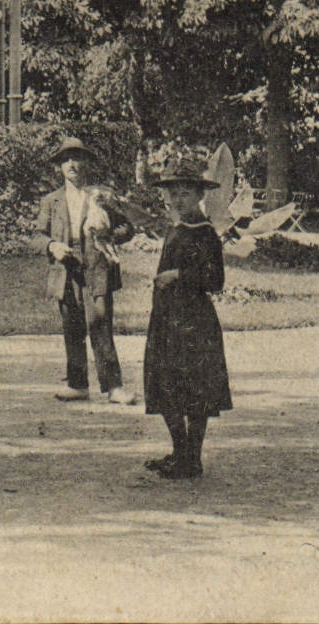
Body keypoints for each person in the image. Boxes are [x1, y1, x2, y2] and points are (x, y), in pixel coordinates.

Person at [143, 163, 233, 480]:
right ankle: (179, 452)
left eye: (186, 194)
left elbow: (215, 280)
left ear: (199, 196)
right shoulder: (178, 228)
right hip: (168, 319)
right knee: (167, 387)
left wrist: (178, 275)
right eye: (174, 194)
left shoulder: (206, 233)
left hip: (194, 322)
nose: (179, 199)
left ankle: (192, 458)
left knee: (195, 391)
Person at [33, 137, 138, 405]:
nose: (73, 164)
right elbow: (37, 236)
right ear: (59, 167)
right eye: (67, 159)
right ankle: (78, 384)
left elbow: (128, 228)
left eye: (78, 158)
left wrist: (107, 234)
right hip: (66, 269)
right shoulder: (51, 201)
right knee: (72, 327)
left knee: (100, 324)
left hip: (97, 268)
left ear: (87, 163)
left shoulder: (100, 197)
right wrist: (52, 245)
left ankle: (114, 387)